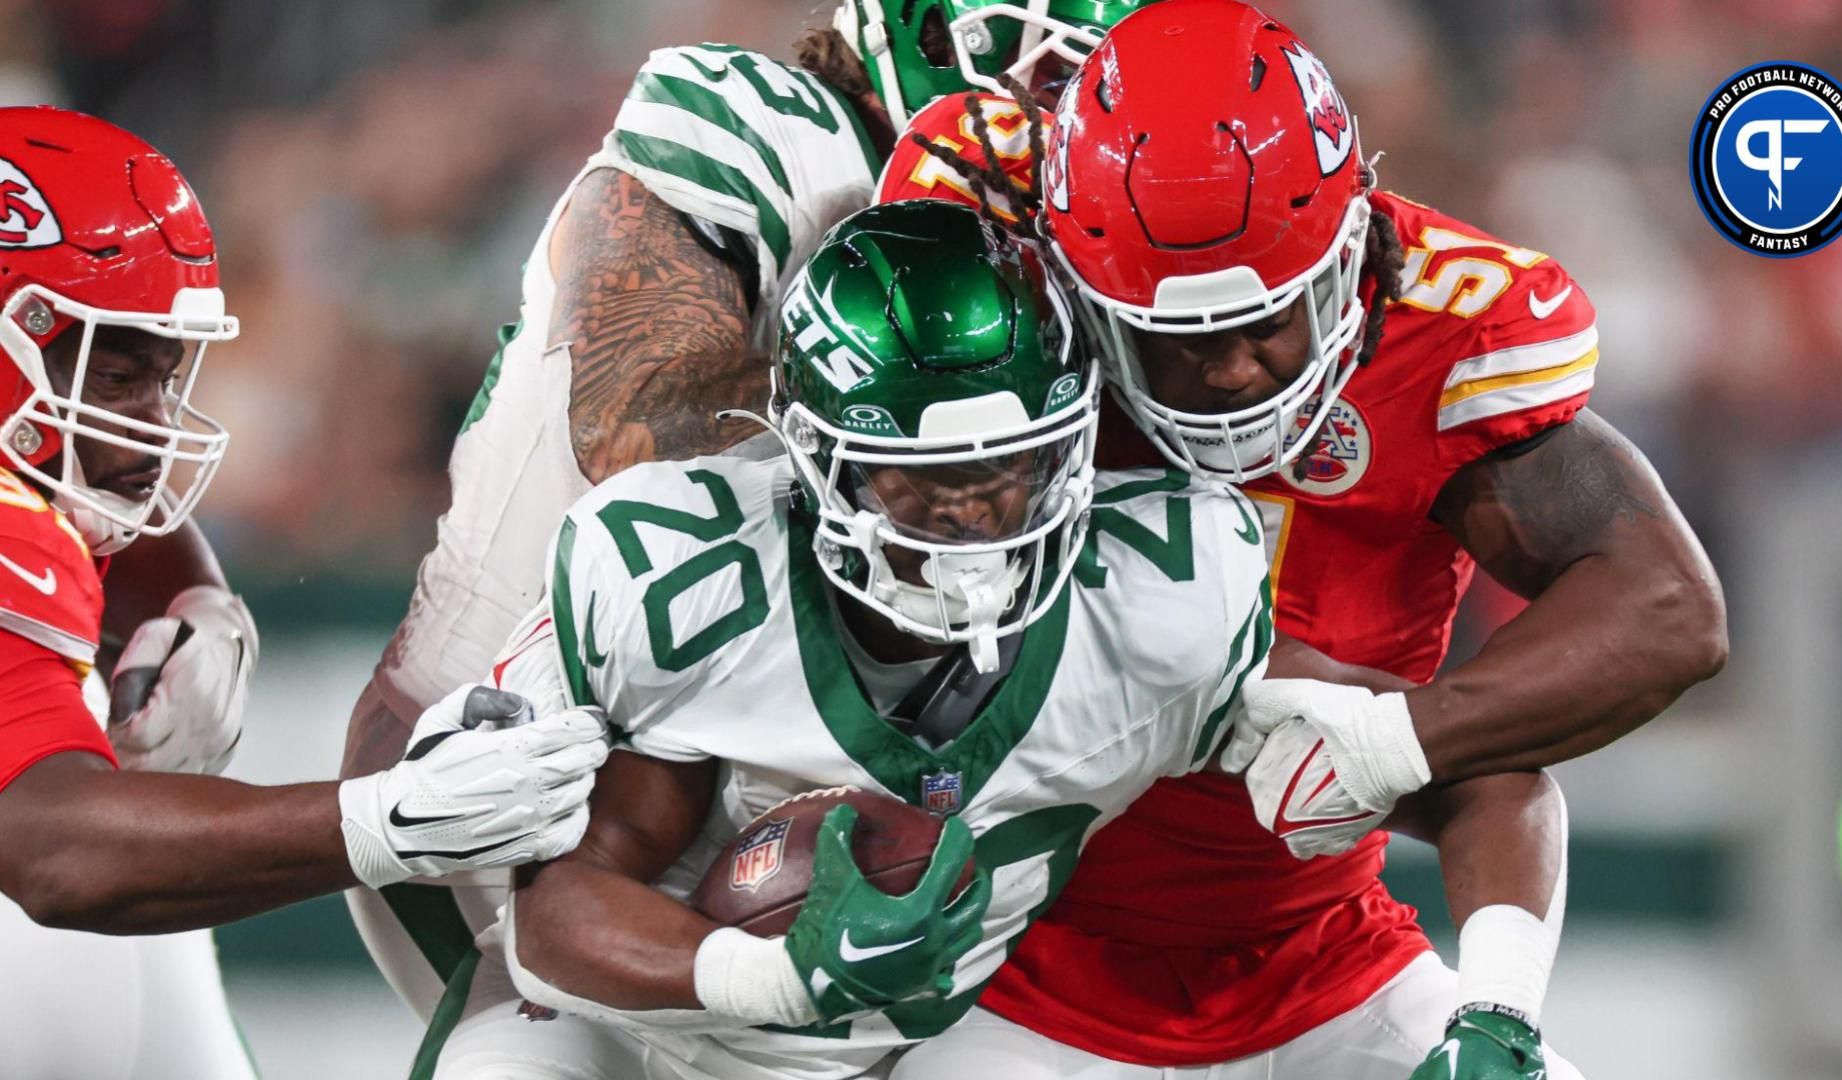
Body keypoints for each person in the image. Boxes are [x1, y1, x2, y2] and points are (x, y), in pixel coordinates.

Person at [412, 198, 1574, 1080]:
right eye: (921, 481)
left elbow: (1476, 775)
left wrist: (1500, 1005)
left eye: (1008, 470)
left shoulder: (1162, 600)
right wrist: (772, 971)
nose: (972, 514)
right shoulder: (690, 577)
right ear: (814, 461)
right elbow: (555, 911)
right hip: (625, 1037)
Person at [889, 2, 1727, 1077]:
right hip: (1016, 974)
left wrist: (1393, 741)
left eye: (1265, 321)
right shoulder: (998, 302)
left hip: (1329, 967)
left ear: (1347, 254)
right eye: (1182, 338)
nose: (1233, 370)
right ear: (1080, 296)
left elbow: (1668, 611)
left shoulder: (1439, 332)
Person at [339, 0, 1162, 1021]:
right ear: (945, 37)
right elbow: (633, 429)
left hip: (777, 765)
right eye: (1069, 82)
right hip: (522, 767)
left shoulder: (1023, 253)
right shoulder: (769, 132)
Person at [0, 105, 610, 1078]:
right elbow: (53, 855)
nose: (151, 429)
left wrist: (197, 601)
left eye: (164, 373)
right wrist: (389, 817)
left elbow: (84, 495)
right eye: (116, 372)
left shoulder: (38, 474)